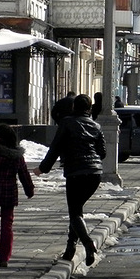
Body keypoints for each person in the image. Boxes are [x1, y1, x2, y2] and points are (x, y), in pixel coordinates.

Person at [34, 93, 107, 265]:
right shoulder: (96, 126)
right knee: (77, 211)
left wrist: (43, 169)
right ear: (89, 108)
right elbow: (102, 152)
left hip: (76, 172)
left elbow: (55, 148)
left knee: (74, 213)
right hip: (95, 174)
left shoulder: (66, 123)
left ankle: (88, 243)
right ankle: (70, 249)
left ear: (74, 107)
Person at [0, 123, 35, 267]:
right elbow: (24, 174)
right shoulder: (17, 155)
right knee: (7, 224)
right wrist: (29, 190)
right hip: (9, 193)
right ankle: (4, 257)